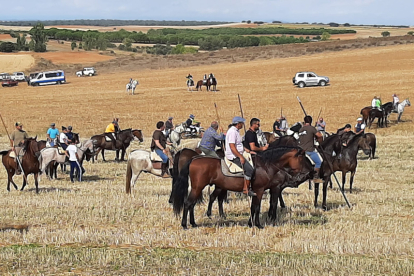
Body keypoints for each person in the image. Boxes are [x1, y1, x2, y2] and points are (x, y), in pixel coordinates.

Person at [225, 116, 256, 196]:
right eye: (242, 123)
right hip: (234, 156)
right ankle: (246, 189)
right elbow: (232, 147)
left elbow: (238, 144)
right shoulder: (232, 132)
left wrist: (248, 151)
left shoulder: (236, 131)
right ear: (238, 124)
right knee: (250, 170)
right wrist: (240, 157)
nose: (243, 125)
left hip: (238, 153)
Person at [298, 116, 323, 183]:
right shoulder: (312, 128)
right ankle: (315, 177)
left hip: (300, 150)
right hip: (309, 150)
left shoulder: (301, 129)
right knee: (319, 162)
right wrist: (319, 142)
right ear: (311, 121)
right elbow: (320, 135)